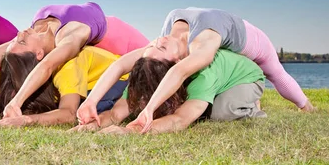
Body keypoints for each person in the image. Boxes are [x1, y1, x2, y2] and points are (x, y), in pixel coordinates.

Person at [77, 7, 313, 133]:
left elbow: (180, 119)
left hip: (251, 53)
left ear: (179, 62)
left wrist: (144, 118)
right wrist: (91, 112)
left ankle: (300, 105)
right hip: (217, 44)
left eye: (155, 48)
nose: (155, 44)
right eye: (151, 49)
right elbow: (119, 67)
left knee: (221, 112)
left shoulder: (202, 51)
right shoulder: (158, 53)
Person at [0, 2, 148, 121]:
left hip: (118, 35)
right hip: (113, 56)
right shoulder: (68, 43)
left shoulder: (50, 47)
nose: (20, 34)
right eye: (20, 41)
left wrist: (16, 103)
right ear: (38, 53)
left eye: (19, 40)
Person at [0, 46, 129, 127]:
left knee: (84, 114)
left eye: (20, 41)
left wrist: (25, 120)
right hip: (83, 86)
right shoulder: (14, 68)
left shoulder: (67, 63)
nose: (23, 31)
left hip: (118, 80)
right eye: (19, 41)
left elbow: (68, 113)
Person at [88, 49, 267, 134]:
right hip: (215, 79)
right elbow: (116, 112)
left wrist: (131, 131)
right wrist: (92, 124)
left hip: (244, 77)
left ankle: (252, 106)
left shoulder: (202, 75)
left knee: (218, 113)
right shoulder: (147, 71)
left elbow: (180, 119)